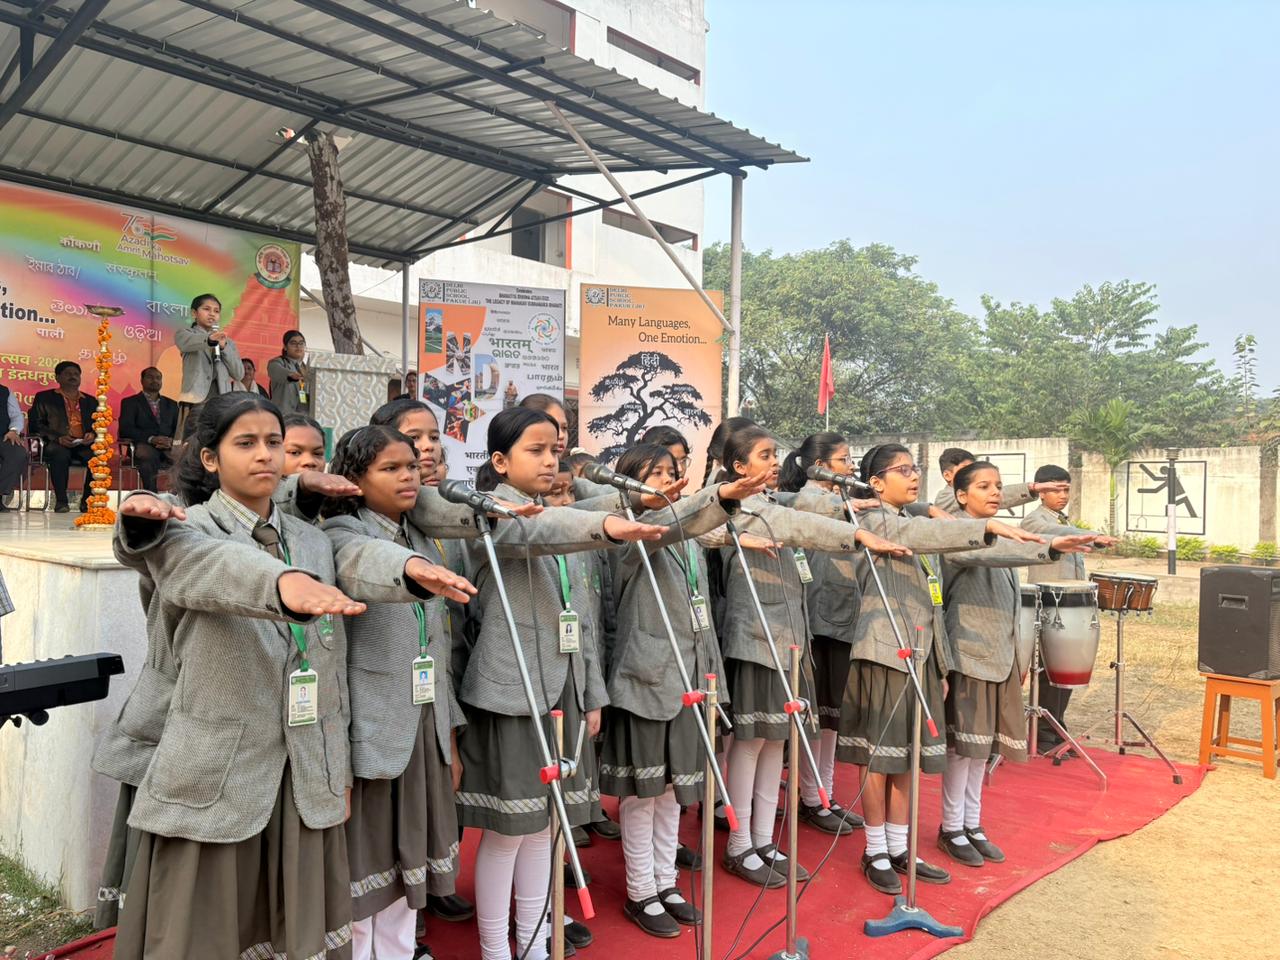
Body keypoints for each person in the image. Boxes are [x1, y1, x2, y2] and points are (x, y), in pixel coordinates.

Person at [109, 392, 367, 959]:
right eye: (245, 443)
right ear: (210, 458)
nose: (265, 455)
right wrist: (280, 583)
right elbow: (203, 564)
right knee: (203, 935)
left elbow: (332, 669)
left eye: (274, 442)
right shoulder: (182, 528)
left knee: (294, 931)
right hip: (216, 773)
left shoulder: (311, 539)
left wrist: (340, 766)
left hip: (303, 770)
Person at [459, 407, 665, 960]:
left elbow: (584, 620)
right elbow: (537, 530)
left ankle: (534, 938)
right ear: (500, 460)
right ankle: (495, 949)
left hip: (564, 696)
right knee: (508, 831)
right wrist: (608, 524)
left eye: (554, 450)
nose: (550, 461)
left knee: (545, 827)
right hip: (512, 695)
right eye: (535, 450)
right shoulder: (487, 515)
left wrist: (590, 694)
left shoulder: (562, 512)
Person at [701, 426, 912, 889]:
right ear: (737, 466)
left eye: (774, 454)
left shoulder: (774, 503)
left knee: (775, 744)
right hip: (755, 641)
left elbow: (805, 513)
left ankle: (762, 839)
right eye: (764, 455)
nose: (775, 462)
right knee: (750, 744)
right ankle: (739, 845)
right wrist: (858, 533)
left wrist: (854, 521)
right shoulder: (729, 506)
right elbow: (705, 527)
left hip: (790, 642)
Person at [835, 443, 1045, 896]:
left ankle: (898, 847)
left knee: (907, 759)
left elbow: (935, 604)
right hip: (884, 651)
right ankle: (875, 850)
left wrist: (943, 666)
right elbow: (923, 532)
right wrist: (984, 526)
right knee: (879, 759)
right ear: (876, 482)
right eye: (903, 469)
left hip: (923, 655)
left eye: (915, 468)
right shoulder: (873, 521)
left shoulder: (913, 524)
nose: (914, 476)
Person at [322, 425, 481, 960]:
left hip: (424, 727)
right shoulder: (339, 531)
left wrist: (448, 738)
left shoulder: (420, 533)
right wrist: (412, 569)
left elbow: (437, 650)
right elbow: (363, 561)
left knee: (408, 862)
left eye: (411, 466)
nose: (408, 476)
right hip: (371, 733)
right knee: (365, 870)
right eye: (390, 468)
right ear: (354, 478)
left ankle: (398, 951)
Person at [599, 443, 765, 937]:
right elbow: (663, 529)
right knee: (643, 793)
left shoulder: (688, 538)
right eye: (655, 474)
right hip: (646, 679)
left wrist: (713, 678)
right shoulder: (630, 531)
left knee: (674, 791)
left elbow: (701, 611)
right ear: (630, 483)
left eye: (673, 472)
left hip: (690, 678)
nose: (668, 482)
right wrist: (718, 497)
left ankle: (665, 881)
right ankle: (640, 891)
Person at [937, 461, 1095, 867]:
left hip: (999, 656)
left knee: (982, 750)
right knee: (962, 749)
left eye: (998, 486)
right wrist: (1050, 547)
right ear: (960, 496)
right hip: (969, 656)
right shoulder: (957, 534)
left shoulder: (996, 533)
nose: (995, 493)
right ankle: (951, 827)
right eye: (984, 486)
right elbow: (992, 555)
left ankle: (972, 824)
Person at [778, 432, 866, 836]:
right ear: (819, 466)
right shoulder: (808, 500)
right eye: (844, 459)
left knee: (831, 719)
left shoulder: (844, 500)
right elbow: (807, 508)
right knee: (816, 717)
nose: (850, 466)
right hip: (820, 622)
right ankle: (811, 797)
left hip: (843, 620)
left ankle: (824, 794)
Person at [1020, 463, 1116, 751]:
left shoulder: (1062, 519)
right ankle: (1043, 733)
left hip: (1069, 605)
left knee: (1067, 668)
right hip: (1049, 604)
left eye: (1066, 490)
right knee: (1046, 671)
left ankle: (1056, 727)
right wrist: (1092, 536)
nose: (1062, 495)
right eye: (1056, 490)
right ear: (1041, 492)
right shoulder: (1035, 520)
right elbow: (1057, 532)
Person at [28, 360, 97, 512]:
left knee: (98, 457)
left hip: (82, 444)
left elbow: (98, 425)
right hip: (56, 443)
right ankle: (61, 501)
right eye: (68, 374)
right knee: (60, 454)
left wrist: (92, 434)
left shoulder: (91, 401)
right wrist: (57, 438)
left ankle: (87, 501)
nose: (73, 377)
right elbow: (35, 424)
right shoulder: (45, 397)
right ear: (57, 378)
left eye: (76, 374)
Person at [175, 293, 244, 439]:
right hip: (195, 400)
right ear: (194, 313)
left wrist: (223, 348)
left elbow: (239, 374)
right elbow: (185, 343)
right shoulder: (185, 334)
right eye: (206, 309)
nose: (212, 314)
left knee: (218, 442)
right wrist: (210, 340)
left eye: (216, 311)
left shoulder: (228, 343)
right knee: (193, 442)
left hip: (221, 401)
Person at [933, 447, 1069, 516]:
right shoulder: (944, 498)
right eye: (965, 469)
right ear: (947, 475)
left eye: (998, 486)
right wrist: (1033, 487)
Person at [118, 368, 179, 492]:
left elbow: (178, 428)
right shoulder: (130, 402)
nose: (155, 380)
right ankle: (151, 495)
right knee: (148, 457)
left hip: (168, 447)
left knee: (186, 457)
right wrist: (152, 439)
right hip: (143, 444)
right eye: (150, 377)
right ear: (141, 380)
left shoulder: (172, 404)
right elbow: (126, 429)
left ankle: (180, 497)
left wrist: (170, 441)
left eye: (158, 378)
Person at [268, 330, 312, 415]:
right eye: (293, 343)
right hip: (283, 416)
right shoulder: (278, 362)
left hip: (302, 416)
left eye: (301, 343)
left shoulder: (307, 369)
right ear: (285, 347)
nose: (298, 346)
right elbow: (275, 370)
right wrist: (290, 375)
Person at [0, 381, 28, 511]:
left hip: (3, 437)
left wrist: (14, 430)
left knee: (18, 453)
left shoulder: (4, 391)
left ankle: (0, 493)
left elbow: (16, 415)